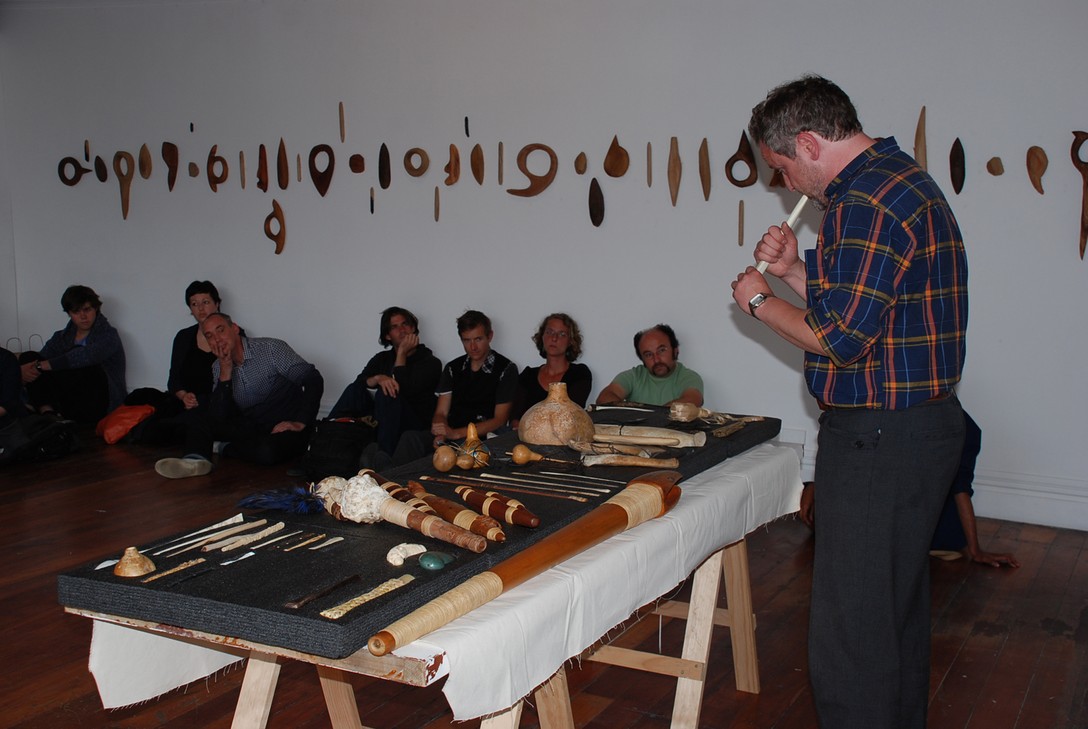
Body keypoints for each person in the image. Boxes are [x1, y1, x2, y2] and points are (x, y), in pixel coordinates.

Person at [731, 75, 968, 729]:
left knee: (853, 633)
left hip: (881, 438)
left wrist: (758, 300)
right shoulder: (896, 180)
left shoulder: (862, 202)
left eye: (780, 167)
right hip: (914, 429)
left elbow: (838, 339)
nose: (782, 184)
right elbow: (869, 306)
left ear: (807, 142)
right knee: (890, 616)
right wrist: (795, 273)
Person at [800, 412, 1019, 568]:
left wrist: (976, 550)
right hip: (894, 515)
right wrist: (817, 485)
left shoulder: (955, 426)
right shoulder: (887, 413)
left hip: (924, 525)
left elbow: (960, 487)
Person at [154, 312, 323, 478]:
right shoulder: (217, 367)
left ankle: (223, 448)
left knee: (267, 452)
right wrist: (225, 371)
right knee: (197, 416)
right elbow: (219, 415)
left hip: (285, 423)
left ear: (234, 328)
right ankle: (194, 461)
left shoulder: (270, 349)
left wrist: (300, 422)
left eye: (221, 330)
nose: (217, 339)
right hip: (252, 424)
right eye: (210, 336)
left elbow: (313, 379)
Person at [330, 306, 441, 456]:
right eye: (395, 327)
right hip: (382, 420)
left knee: (387, 393)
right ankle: (324, 443)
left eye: (405, 324)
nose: (402, 330)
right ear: (388, 336)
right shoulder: (382, 359)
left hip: (413, 423)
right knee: (354, 390)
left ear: (413, 328)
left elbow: (405, 391)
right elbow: (360, 382)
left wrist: (401, 353)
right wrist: (378, 378)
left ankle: (384, 458)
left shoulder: (431, 362)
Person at [20, 285, 127, 423]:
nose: (83, 316)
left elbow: (87, 356)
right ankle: (47, 411)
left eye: (87, 310)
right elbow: (41, 359)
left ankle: (46, 412)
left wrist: (41, 366)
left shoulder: (108, 336)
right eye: (76, 312)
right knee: (28, 357)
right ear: (69, 314)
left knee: (87, 366)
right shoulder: (61, 337)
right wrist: (22, 371)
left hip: (99, 400)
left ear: (96, 309)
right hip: (67, 397)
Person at [510, 313, 592, 429]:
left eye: (562, 334)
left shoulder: (579, 374)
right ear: (542, 336)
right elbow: (514, 419)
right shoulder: (528, 376)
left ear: (570, 341)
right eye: (549, 332)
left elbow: (570, 417)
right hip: (523, 440)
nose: (554, 338)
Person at [595, 323, 702, 407]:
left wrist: (651, 417)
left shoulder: (689, 377)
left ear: (675, 350)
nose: (656, 359)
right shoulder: (634, 376)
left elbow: (691, 401)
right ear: (642, 359)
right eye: (648, 355)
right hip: (636, 434)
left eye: (661, 350)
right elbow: (604, 398)